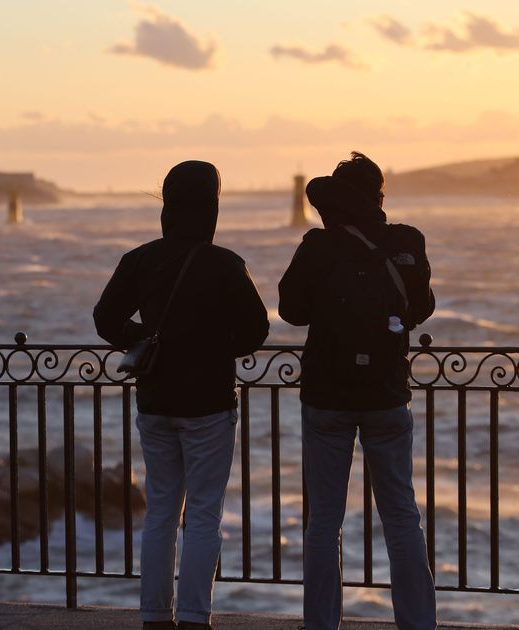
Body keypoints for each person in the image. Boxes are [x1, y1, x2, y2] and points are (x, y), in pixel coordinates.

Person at [94, 160, 270, 630]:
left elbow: (105, 318)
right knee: (204, 513)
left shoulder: (140, 260)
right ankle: (194, 615)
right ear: (211, 207)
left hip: (155, 401)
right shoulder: (225, 264)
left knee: (160, 510)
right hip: (209, 403)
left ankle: (154, 614)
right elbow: (257, 330)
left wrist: (148, 338)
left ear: (167, 206)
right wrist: (212, 348)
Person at [278, 152, 437, 630]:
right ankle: (418, 623)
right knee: (401, 516)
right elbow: (421, 306)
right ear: (378, 197)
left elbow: (290, 310)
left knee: (324, 522)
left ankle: (321, 624)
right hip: (387, 394)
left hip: (326, 396)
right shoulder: (406, 241)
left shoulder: (317, 246)